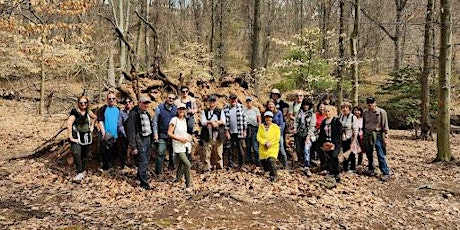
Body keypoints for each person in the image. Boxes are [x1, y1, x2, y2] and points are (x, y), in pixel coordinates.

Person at [126, 96, 154, 190]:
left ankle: (139, 176)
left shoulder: (147, 114)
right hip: (140, 140)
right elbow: (131, 131)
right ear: (139, 103)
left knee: (146, 159)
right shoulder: (134, 114)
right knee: (143, 161)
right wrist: (133, 146)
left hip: (148, 139)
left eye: (147, 103)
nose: (146, 105)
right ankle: (144, 183)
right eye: (144, 103)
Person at [67, 95, 95, 181]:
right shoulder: (75, 112)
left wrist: (92, 126)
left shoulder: (88, 112)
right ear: (78, 103)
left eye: (85, 103)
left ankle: (84, 170)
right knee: (76, 153)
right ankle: (79, 171)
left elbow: (95, 117)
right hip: (76, 136)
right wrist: (70, 137)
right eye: (81, 103)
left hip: (86, 136)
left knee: (85, 154)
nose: (83, 104)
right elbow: (69, 124)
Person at [363, 97, 391, 181]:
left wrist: (386, 136)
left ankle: (385, 172)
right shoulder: (365, 112)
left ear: (375, 103)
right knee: (368, 152)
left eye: (372, 103)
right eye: (368, 103)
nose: (370, 105)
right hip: (368, 133)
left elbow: (385, 125)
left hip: (377, 134)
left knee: (380, 153)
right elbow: (363, 123)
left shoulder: (381, 112)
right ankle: (371, 168)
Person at [169, 103, 193, 190]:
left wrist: (189, 137)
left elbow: (185, 132)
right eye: (180, 109)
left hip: (185, 144)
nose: (181, 111)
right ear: (177, 110)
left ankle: (177, 179)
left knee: (183, 164)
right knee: (187, 164)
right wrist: (179, 139)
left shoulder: (184, 120)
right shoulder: (174, 120)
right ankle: (188, 184)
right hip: (178, 145)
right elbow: (170, 133)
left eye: (183, 109)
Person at [153, 93, 178, 175]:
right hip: (162, 134)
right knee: (160, 153)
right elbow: (155, 122)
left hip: (173, 135)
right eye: (169, 98)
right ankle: (158, 172)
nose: (171, 100)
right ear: (166, 98)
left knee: (173, 153)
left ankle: (172, 169)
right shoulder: (159, 108)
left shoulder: (176, 108)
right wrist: (155, 134)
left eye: (173, 98)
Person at [318, 105, 343, 183]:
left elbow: (339, 133)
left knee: (334, 156)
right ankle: (331, 173)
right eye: (325, 111)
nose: (327, 113)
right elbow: (321, 134)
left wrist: (334, 143)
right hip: (326, 142)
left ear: (332, 112)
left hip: (335, 143)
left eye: (328, 111)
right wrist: (322, 144)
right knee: (328, 158)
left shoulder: (336, 121)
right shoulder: (324, 121)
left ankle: (337, 173)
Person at [200, 95, 225, 171]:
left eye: (213, 101)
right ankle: (207, 168)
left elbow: (223, 121)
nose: (212, 103)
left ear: (216, 102)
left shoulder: (220, 111)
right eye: (210, 101)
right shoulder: (205, 111)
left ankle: (219, 167)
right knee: (206, 152)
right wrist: (210, 122)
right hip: (207, 135)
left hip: (218, 135)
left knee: (219, 152)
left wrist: (216, 122)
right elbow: (203, 122)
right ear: (208, 102)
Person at [97, 92, 120, 171]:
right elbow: (100, 121)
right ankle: (105, 167)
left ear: (115, 99)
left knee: (113, 151)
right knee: (105, 151)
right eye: (109, 99)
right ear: (107, 99)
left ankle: (112, 167)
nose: (111, 100)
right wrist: (103, 133)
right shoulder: (103, 109)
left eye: (113, 98)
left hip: (116, 134)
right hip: (106, 134)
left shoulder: (118, 110)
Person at [223, 93, 247, 169]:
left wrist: (244, 130)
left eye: (234, 99)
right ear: (229, 100)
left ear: (236, 99)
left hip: (239, 131)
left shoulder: (241, 107)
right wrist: (227, 131)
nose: (233, 100)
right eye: (232, 99)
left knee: (240, 149)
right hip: (230, 132)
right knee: (230, 149)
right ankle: (231, 164)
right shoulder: (226, 108)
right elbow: (225, 121)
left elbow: (244, 119)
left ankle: (241, 165)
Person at [293, 98, 316, 176]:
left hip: (308, 134)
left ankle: (307, 166)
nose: (306, 106)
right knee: (299, 149)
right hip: (299, 133)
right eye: (305, 104)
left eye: (307, 105)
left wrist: (308, 136)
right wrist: (295, 128)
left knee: (306, 149)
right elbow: (296, 121)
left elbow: (312, 126)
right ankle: (301, 163)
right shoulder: (299, 112)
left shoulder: (312, 114)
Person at [257, 111, 281, 182]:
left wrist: (270, 143)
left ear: (272, 118)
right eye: (266, 117)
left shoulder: (275, 127)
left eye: (269, 117)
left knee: (271, 160)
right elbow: (258, 137)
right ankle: (267, 171)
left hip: (272, 147)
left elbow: (277, 138)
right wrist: (265, 142)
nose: (268, 119)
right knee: (263, 161)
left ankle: (274, 175)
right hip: (263, 147)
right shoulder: (261, 127)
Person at [339, 101, 359, 173]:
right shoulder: (340, 117)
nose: (344, 109)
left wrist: (353, 142)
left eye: (346, 107)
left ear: (349, 109)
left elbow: (355, 131)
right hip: (342, 138)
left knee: (351, 153)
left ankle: (352, 168)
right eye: (343, 108)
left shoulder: (353, 117)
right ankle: (345, 167)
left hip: (350, 138)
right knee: (344, 152)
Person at [266, 99, 287, 168]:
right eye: (269, 104)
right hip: (270, 134)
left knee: (281, 148)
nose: (271, 105)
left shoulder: (279, 113)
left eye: (272, 104)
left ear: (274, 105)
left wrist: (279, 134)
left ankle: (285, 164)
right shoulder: (267, 113)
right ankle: (272, 165)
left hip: (278, 133)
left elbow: (281, 124)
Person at [287, 91, 305, 164]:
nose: (299, 97)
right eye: (297, 96)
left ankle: (304, 160)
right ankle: (295, 160)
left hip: (304, 126)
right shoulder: (292, 105)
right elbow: (290, 115)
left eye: (300, 95)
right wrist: (297, 120)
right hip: (294, 125)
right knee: (294, 143)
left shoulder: (305, 105)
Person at [118, 97, 134, 169]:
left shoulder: (135, 112)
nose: (128, 104)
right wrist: (125, 134)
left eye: (129, 102)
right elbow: (120, 124)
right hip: (124, 134)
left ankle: (133, 164)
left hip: (133, 135)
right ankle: (123, 165)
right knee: (123, 150)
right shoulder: (121, 112)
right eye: (126, 102)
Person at [244, 96, 261, 165]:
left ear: (252, 102)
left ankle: (258, 161)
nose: (248, 102)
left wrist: (259, 129)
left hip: (254, 128)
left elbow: (259, 120)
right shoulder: (244, 109)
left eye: (250, 101)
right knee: (248, 145)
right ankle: (250, 161)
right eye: (247, 101)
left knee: (255, 145)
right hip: (247, 127)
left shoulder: (256, 110)